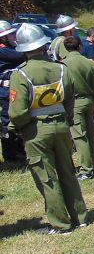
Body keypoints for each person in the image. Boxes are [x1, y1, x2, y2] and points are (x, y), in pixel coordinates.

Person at [9, 23, 88, 235]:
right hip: (61, 125)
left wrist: (17, 126)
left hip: (35, 131)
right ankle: (80, 217)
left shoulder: (21, 74)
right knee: (68, 172)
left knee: (47, 177)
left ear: (24, 50)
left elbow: (17, 112)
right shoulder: (61, 69)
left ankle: (61, 224)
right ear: (44, 46)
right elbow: (71, 98)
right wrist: (67, 119)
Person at [63, 36, 94, 181]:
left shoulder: (63, 65)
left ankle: (86, 170)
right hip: (89, 100)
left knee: (79, 136)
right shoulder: (89, 63)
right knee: (90, 135)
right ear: (80, 47)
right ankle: (92, 166)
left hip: (74, 103)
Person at [0, 21, 26, 163]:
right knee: (8, 123)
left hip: (12, 90)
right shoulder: (3, 50)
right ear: (3, 38)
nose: (13, 36)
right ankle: (11, 154)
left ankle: (18, 150)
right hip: (5, 92)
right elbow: (21, 55)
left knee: (18, 120)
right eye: (10, 34)